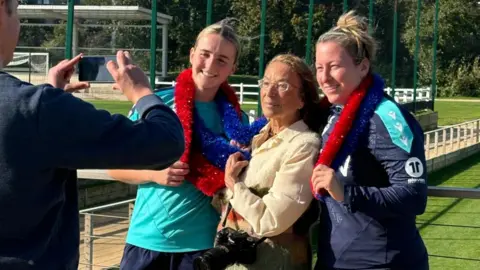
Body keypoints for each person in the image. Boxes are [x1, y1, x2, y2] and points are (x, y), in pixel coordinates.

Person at [0, 0, 185, 269]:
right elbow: (165, 142)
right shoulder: (36, 109)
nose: (18, 23)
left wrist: (50, 97)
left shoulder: (36, 109)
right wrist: (141, 92)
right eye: (16, 11)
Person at [107, 21, 258, 270]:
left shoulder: (237, 122)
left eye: (222, 59)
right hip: (148, 239)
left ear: (233, 67)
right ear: (191, 54)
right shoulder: (157, 105)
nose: (210, 65)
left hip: (202, 245)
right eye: (205, 55)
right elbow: (115, 166)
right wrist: (155, 175)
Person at [310, 11, 429, 270]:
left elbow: (413, 197)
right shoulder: (332, 113)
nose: (324, 77)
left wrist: (347, 192)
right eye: (319, 67)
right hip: (334, 260)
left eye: (334, 66)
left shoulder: (387, 118)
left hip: (382, 263)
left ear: (363, 66)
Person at [208, 54, 326, 270]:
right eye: (266, 82)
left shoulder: (304, 145)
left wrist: (234, 185)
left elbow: (270, 220)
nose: (269, 92)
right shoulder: (260, 137)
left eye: (282, 85)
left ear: (302, 99)